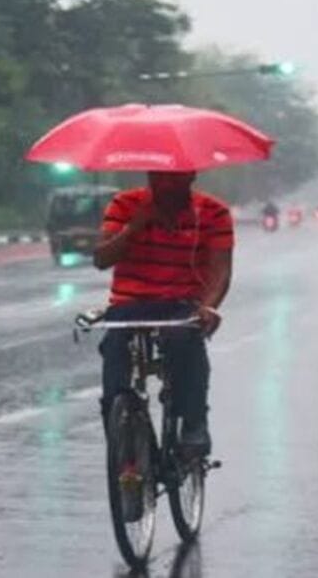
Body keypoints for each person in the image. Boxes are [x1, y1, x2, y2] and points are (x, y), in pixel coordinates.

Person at [93, 171, 233, 455]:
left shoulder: (213, 212)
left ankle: (193, 422)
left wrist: (208, 307)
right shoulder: (124, 204)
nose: (166, 186)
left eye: (175, 179)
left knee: (185, 341)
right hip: (129, 303)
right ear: (149, 177)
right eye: (159, 179)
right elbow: (101, 259)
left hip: (181, 303)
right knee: (115, 348)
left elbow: (221, 271)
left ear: (191, 176)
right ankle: (117, 426)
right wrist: (135, 227)